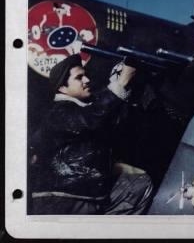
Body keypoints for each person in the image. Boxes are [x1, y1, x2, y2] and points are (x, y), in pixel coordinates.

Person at [30, 54, 153, 215]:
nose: (87, 80)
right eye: (79, 77)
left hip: (82, 194)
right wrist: (120, 82)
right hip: (62, 198)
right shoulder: (58, 111)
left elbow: (103, 121)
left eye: (85, 75)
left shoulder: (78, 111)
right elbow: (92, 118)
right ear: (62, 87)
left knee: (139, 184)